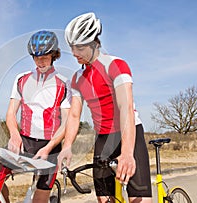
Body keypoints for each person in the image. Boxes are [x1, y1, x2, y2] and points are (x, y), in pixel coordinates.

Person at [57, 12, 152, 203]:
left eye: (80, 47)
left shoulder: (116, 65)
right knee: (103, 198)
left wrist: (126, 153)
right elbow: (74, 116)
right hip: (103, 137)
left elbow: (125, 108)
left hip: (129, 132)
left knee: (139, 200)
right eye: (72, 47)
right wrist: (66, 146)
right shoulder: (77, 78)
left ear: (94, 43)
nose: (75, 53)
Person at [0, 30, 71, 203]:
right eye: (36, 57)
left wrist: (49, 147)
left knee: (39, 200)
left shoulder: (64, 82)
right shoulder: (21, 79)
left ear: (54, 55)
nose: (41, 61)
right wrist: (14, 135)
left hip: (50, 146)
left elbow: (67, 122)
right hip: (24, 141)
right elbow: (10, 113)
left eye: (45, 56)